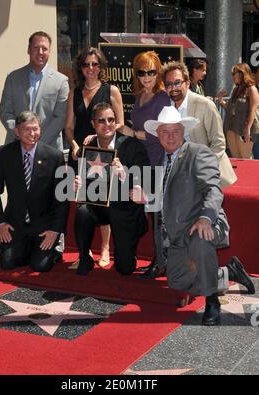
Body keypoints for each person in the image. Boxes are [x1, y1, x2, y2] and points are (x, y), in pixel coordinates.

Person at [143, 106, 255, 325]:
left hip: (204, 224)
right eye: (165, 132)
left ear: (183, 131)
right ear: (158, 135)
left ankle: (212, 301)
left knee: (201, 239)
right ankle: (228, 272)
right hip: (178, 234)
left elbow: (213, 188)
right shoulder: (159, 161)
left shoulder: (197, 152)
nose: (170, 136)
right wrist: (143, 195)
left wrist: (206, 217)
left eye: (175, 131)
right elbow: (160, 199)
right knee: (177, 282)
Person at [0, 31, 69, 261]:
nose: (41, 52)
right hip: (17, 148)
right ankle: (21, 238)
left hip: (49, 149)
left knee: (49, 197)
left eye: (45, 48)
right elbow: (5, 111)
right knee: (18, 195)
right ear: (28, 49)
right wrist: (21, 134)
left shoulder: (60, 81)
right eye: (36, 47)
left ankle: (53, 241)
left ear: (50, 51)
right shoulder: (13, 77)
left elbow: (59, 117)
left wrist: (37, 141)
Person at [74, 102, 150, 276]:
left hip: (125, 210)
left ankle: (128, 254)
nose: (107, 125)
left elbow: (145, 180)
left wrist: (124, 174)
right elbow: (78, 170)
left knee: (125, 268)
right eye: (101, 121)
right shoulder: (89, 145)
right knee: (82, 211)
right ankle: (85, 257)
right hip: (99, 206)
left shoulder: (132, 146)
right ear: (93, 124)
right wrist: (76, 183)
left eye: (111, 120)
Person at [0, 111, 68, 272]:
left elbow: (61, 198)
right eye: (27, 129)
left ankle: (52, 250)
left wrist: (54, 231)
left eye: (35, 129)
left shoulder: (54, 156)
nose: (32, 134)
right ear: (17, 131)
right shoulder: (4, 154)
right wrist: (1, 223)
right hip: (14, 224)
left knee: (41, 266)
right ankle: (29, 249)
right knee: (8, 264)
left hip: (44, 225)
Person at [65, 47, 124, 269]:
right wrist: (73, 144)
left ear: (101, 67)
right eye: (87, 64)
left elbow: (119, 122)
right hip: (79, 153)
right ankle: (84, 252)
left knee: (101, 198)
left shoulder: (111, 91)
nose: (91, 68)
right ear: (81, 68)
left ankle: (106, 248)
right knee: (82, 201)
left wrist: (99, 133)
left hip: (102, 151)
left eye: (95, 64)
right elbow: (68, 127)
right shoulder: (74, 92)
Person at [118, 51, 170, 279]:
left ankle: (161, 262)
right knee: (152, 213)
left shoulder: (162, 98)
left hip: (159, 160)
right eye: (142, 72)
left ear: (157, 72)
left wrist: (132, 132)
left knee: (159, 215)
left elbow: (163, 134)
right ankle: (159, 260)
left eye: (151, 72)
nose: (147, 76)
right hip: (142, 163)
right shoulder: (139, 96)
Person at [163, 61, 237, 188]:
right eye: (169, 84)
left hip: (209, 176)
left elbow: (218, 143)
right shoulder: (166, 109)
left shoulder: (205, 105)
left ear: (187, 83)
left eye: (177, 82)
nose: (173, 88)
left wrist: (202, 169)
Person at [218, 63, 259, 159]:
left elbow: (253, 110)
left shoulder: (252, 89)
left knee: (245, 158)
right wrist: (221, 101)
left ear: (242, 73)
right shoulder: (236, 89)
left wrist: (248, 128)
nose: (232, 76)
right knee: (236, 159)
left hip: (243, 128)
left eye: (234, 74)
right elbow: (232, 109)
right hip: (232, 127)